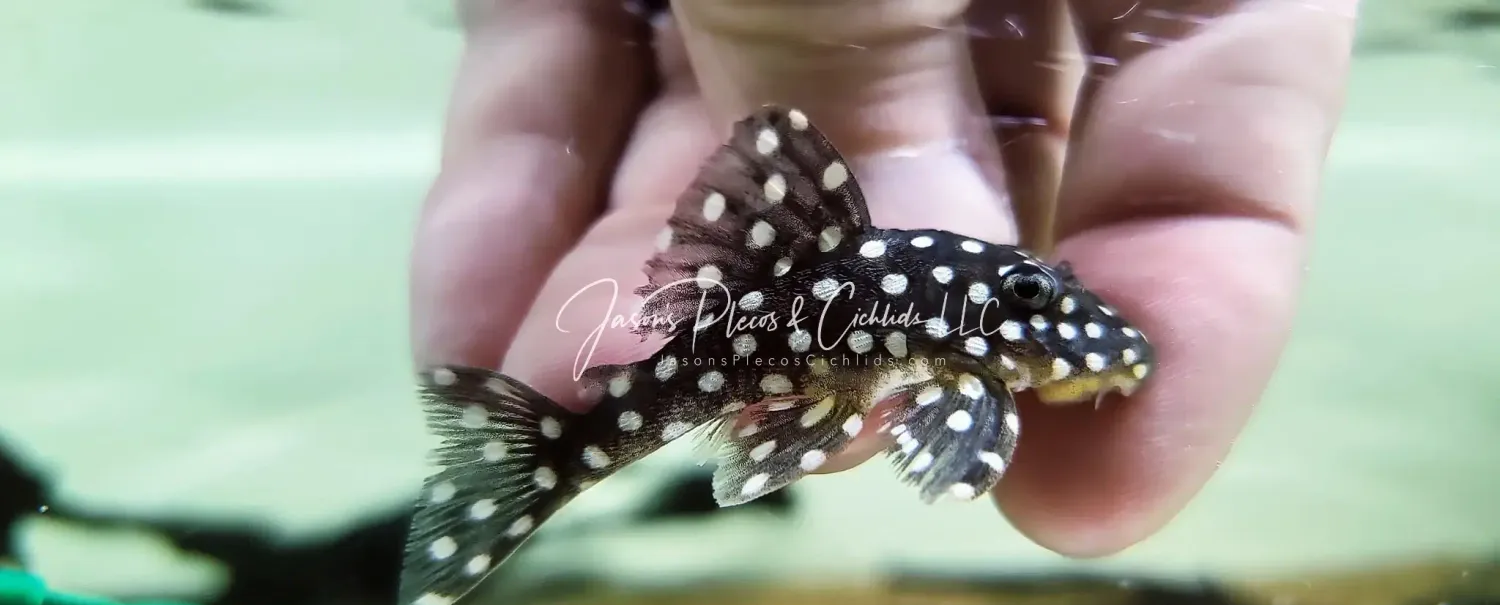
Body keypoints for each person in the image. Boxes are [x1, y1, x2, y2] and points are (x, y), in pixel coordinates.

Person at [407, 0, 1359, 558]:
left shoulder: (968, 349)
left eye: (1042, 295)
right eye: (1029, 294)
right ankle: (528, 465)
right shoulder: (961, 353)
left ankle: (526, 466)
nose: (1042, 307)